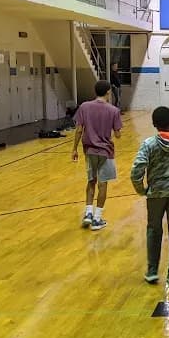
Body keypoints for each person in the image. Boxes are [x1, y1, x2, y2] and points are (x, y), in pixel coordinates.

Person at [130, 106, 169, 288]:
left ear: (154, 124)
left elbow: (137, 170)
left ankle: (152, 271)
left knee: (153, 230)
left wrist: (141, 190)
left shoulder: (149, 144)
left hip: (156, 193)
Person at [71, 80, 123, 231]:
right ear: (108, 92)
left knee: (91, 181)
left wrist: (74, 149)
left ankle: (88, 213)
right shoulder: (113, 110)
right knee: (103, 184)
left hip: (89, 151)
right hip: (105, 152)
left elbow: (79, 130)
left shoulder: (84, 107)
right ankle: (97, 218)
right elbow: (118, 134)